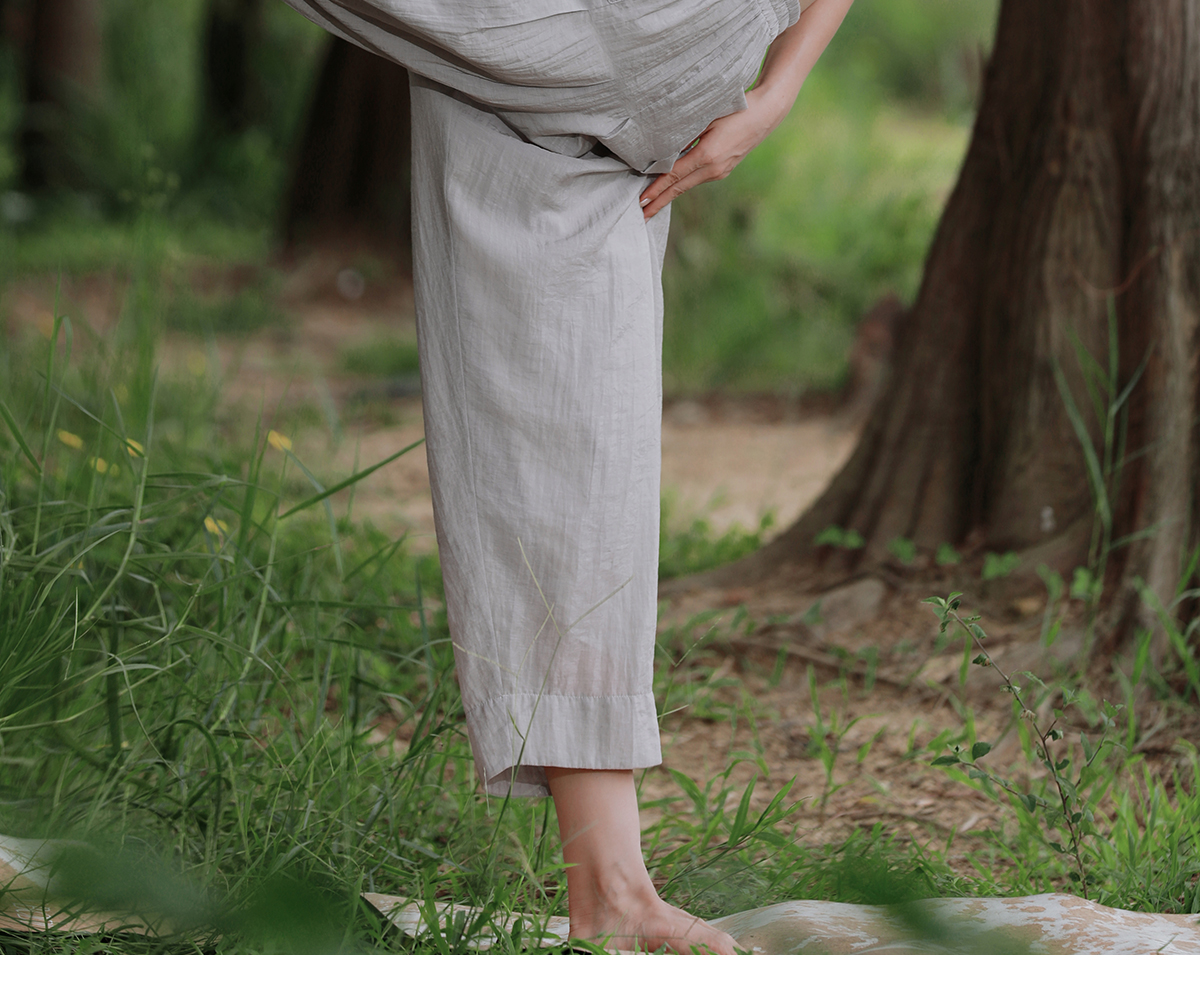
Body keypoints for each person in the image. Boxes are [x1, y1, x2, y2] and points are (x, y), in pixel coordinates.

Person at [279, 0, 854, 953]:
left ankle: (615, 889)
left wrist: (779, 91)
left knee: (578, 428)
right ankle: (612, 886)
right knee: (573, 426)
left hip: (653, 52)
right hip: (593, 81)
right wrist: (775, 88)